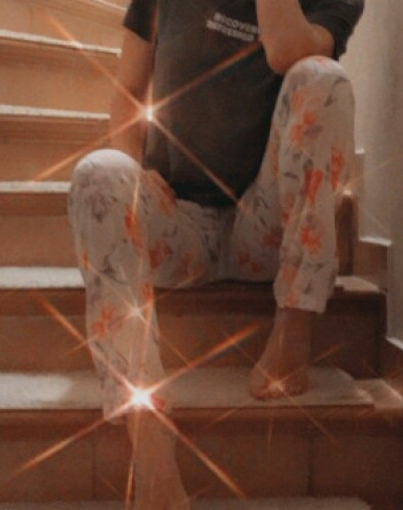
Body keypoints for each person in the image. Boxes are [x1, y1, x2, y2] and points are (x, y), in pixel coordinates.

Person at [67, 1, 364, 508]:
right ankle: (148, 439)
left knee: (322, 78)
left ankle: (294, 325)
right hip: (179, 223)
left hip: (263, 232)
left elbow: (286, 51)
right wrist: (139, 170)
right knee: (98, 173)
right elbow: (128, 90)